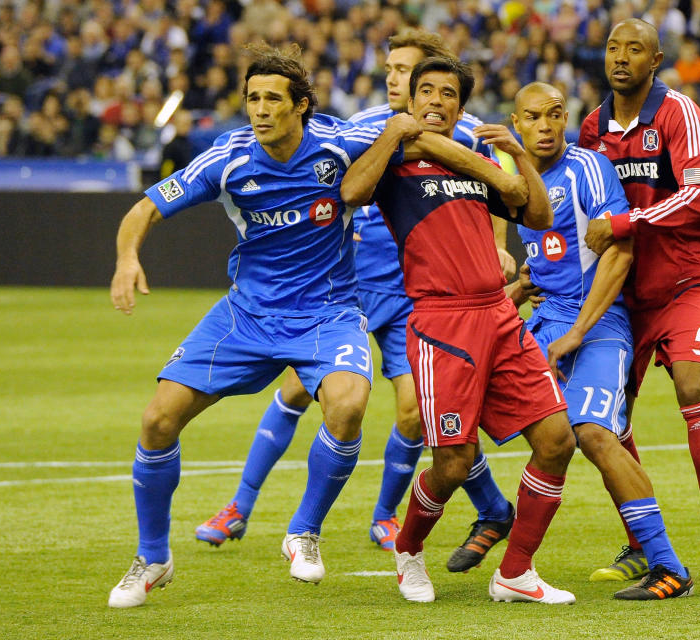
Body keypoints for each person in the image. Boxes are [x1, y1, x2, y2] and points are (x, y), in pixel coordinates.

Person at [194, 30, 517, 574]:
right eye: (391, 68)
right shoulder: (362, 126)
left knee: (420, 411)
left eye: (405, 71)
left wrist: (501, 250)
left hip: (413, 290)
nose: (394, 79)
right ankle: (239, 506)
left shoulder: (470, 134)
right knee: (299, 389)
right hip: (346, 284)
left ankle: (387, 514)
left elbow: (491, 197)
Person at [107, 43, 383, 607]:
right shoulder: (227, 158)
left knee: (349, 405)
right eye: (253, 98)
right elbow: (144, 209)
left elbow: (414, 140)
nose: (260, 109)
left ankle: (303, 532)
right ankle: (153, 556)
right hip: (247, 314)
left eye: (272, 100)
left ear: (300, 105)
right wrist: (127, 259)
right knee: (158, 420)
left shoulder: (339, 144)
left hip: (327, 313)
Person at [341, 56, 577, 605]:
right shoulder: (395, 161)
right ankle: (408, 548)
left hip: (499, 315)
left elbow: (537, 216)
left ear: (460, 107)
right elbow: (352, 192)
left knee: (557, 441)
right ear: (410, 99)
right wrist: (393, 134)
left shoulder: (473, 163)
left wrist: (518, 157)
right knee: (453, 460)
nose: (435, 101)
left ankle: (516, 572)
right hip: (442, 324)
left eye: (447, 94)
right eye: (425, 91)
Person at [506, 81, 693, 600]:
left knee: (592, 434)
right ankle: (492, 519)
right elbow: (538, 259)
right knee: (475, 411)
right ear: (516, 123)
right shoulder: (510, 176)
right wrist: (518, 288)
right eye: (533, 117)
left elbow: (620, 253)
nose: (545, 126)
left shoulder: (588, 168)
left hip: (599, 324)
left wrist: (576, 333)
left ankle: (667, 565)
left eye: (554, 115)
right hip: (543, 323)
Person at [580, 19, 700, 581]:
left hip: (685, 279)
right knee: (611, 415)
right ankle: (639, 543)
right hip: (625, 294)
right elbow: (582, 208)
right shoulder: (592, 126)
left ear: (656, 60)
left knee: (693, 384)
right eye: (613, 48)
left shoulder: (678, 112)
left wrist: (624, 222)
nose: (621, 57)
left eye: (635, 50)